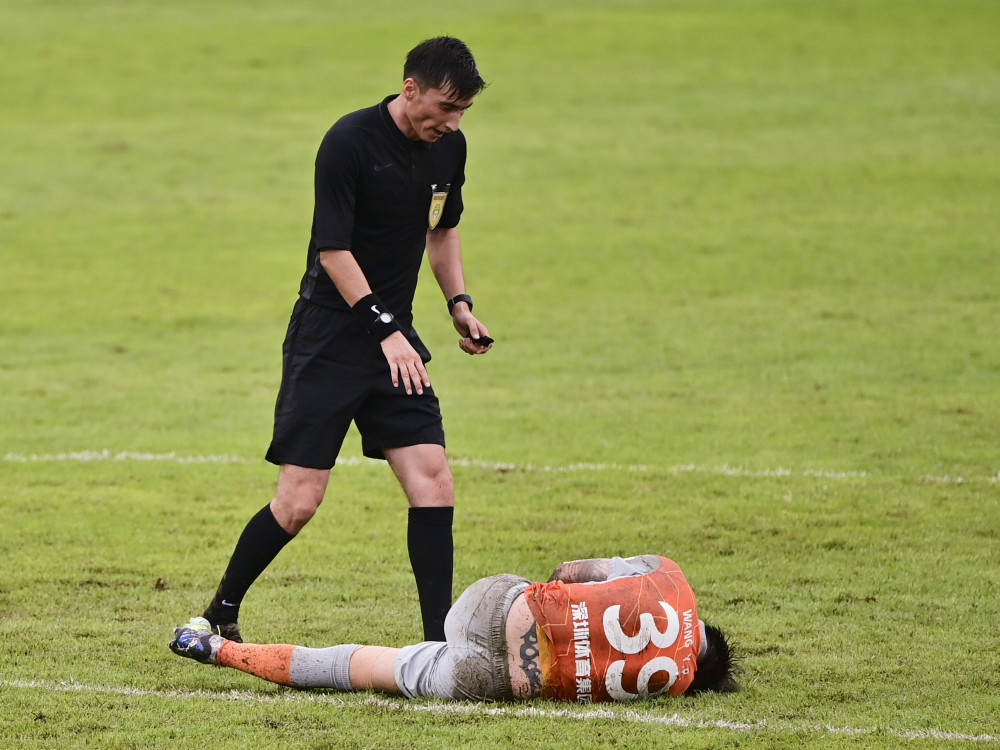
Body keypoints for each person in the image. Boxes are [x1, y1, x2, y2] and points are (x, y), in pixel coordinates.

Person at [194, 37, 491, 645]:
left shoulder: (448, 147)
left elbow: (442, 231)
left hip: (395, 343)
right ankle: (220, 611)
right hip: (331, 338)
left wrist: (458, 304)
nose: (452, 121)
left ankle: (437, 646)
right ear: (410, 90)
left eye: (462, 111)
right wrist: (385, 329)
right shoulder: (349, 143)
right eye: (444, 106)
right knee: (300, 499)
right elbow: (333, 252)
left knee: (432, 478)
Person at [170, 555, 739, 702]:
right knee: (367, 667)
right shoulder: (674, 682)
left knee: (530, 590)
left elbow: (569, 573)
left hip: (489, 608)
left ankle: (213, 635)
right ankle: (213, 648)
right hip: (492, 683)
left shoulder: (672, 580)